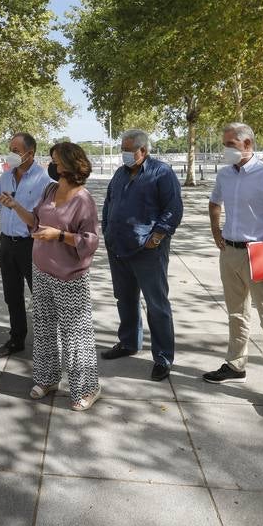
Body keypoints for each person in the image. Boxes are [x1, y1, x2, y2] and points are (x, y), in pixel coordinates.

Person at [0, 142, 100, 411]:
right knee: (43, 329)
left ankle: (87, 387)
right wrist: (15, 206)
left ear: (67, 164)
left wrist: (60, 236)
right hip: (41, 271)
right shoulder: (51, 189)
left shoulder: (83, 199)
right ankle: (47, 379)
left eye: (54, 160)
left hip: (69, 277)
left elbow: (90, 241)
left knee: (75, 334)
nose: (51, 164)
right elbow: (35, 221)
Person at [204, 122, 263, 418]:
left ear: (248, 145)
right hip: (230, 252)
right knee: (236, 313)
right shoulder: (225, 173)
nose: (226, 149)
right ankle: (235, 364)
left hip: (260, 254)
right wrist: (216, 230)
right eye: (224, 143)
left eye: (231, 144)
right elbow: (214, 202)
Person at [101, 128, 183, 381]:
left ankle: (163, 357)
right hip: (119, 248)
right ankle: (128, 343)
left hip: (148, 251)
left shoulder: (162, 172)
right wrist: (107, 231)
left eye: (128, 151)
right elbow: (108, 203)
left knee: (156, 304)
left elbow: (173, 209)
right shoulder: (119, 173)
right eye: (122, 150)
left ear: (143, 151)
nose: (124, 155)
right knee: (125, 299)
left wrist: (157, 237)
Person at [0, 133, 50, 358]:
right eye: (10, 149)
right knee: (12, 294)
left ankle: (46, 344)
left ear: (30, 153)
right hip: (7, 243)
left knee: (40, 295)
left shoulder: (44, 180)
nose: (12, 154)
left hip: (31, 245)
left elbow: (44, 217)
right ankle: (16, 339)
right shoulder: (5, 177)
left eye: (16, 150)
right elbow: (0, 205)